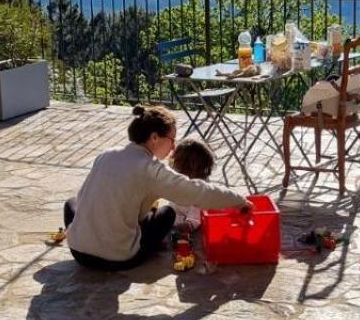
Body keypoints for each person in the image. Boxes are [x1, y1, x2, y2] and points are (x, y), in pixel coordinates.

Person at [62, 103, 249, 271]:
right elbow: (196, 191)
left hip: (79, 252)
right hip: (118, 259)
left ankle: (87, 238)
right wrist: (238, 201)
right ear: (154, 137)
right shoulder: (152, 170)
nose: (174, 147)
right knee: (167, 213)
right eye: (172, 139)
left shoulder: (106, 154)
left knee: (72, 203)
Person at [170, 137, 216, 228]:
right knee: (169, 211)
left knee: (196, 207)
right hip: (180, 210)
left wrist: (189, 223)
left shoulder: (201, 185)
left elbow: (197, 211)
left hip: (196, 214)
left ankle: (188, 225)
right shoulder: (180, 178)